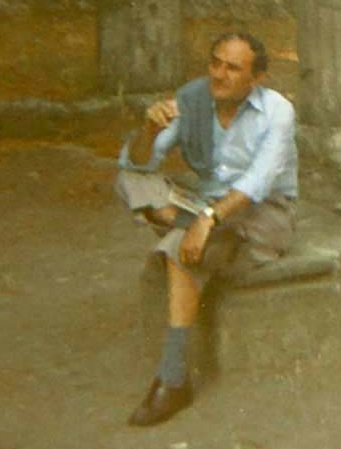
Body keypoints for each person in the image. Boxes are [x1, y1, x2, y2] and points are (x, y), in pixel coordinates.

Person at [115, 31, 298, 426]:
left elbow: (258, 182)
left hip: (262, 212)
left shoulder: (277, 111)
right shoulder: (192, 98)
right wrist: (149, 131)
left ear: (257, 78)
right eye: (215, 62)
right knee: (129, 180)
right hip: (202, 204)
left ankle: (172, 378)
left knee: (179, 248)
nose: (218, 74)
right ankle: (198, 230)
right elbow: (140, 163)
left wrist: (209, 218)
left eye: (232, 68)